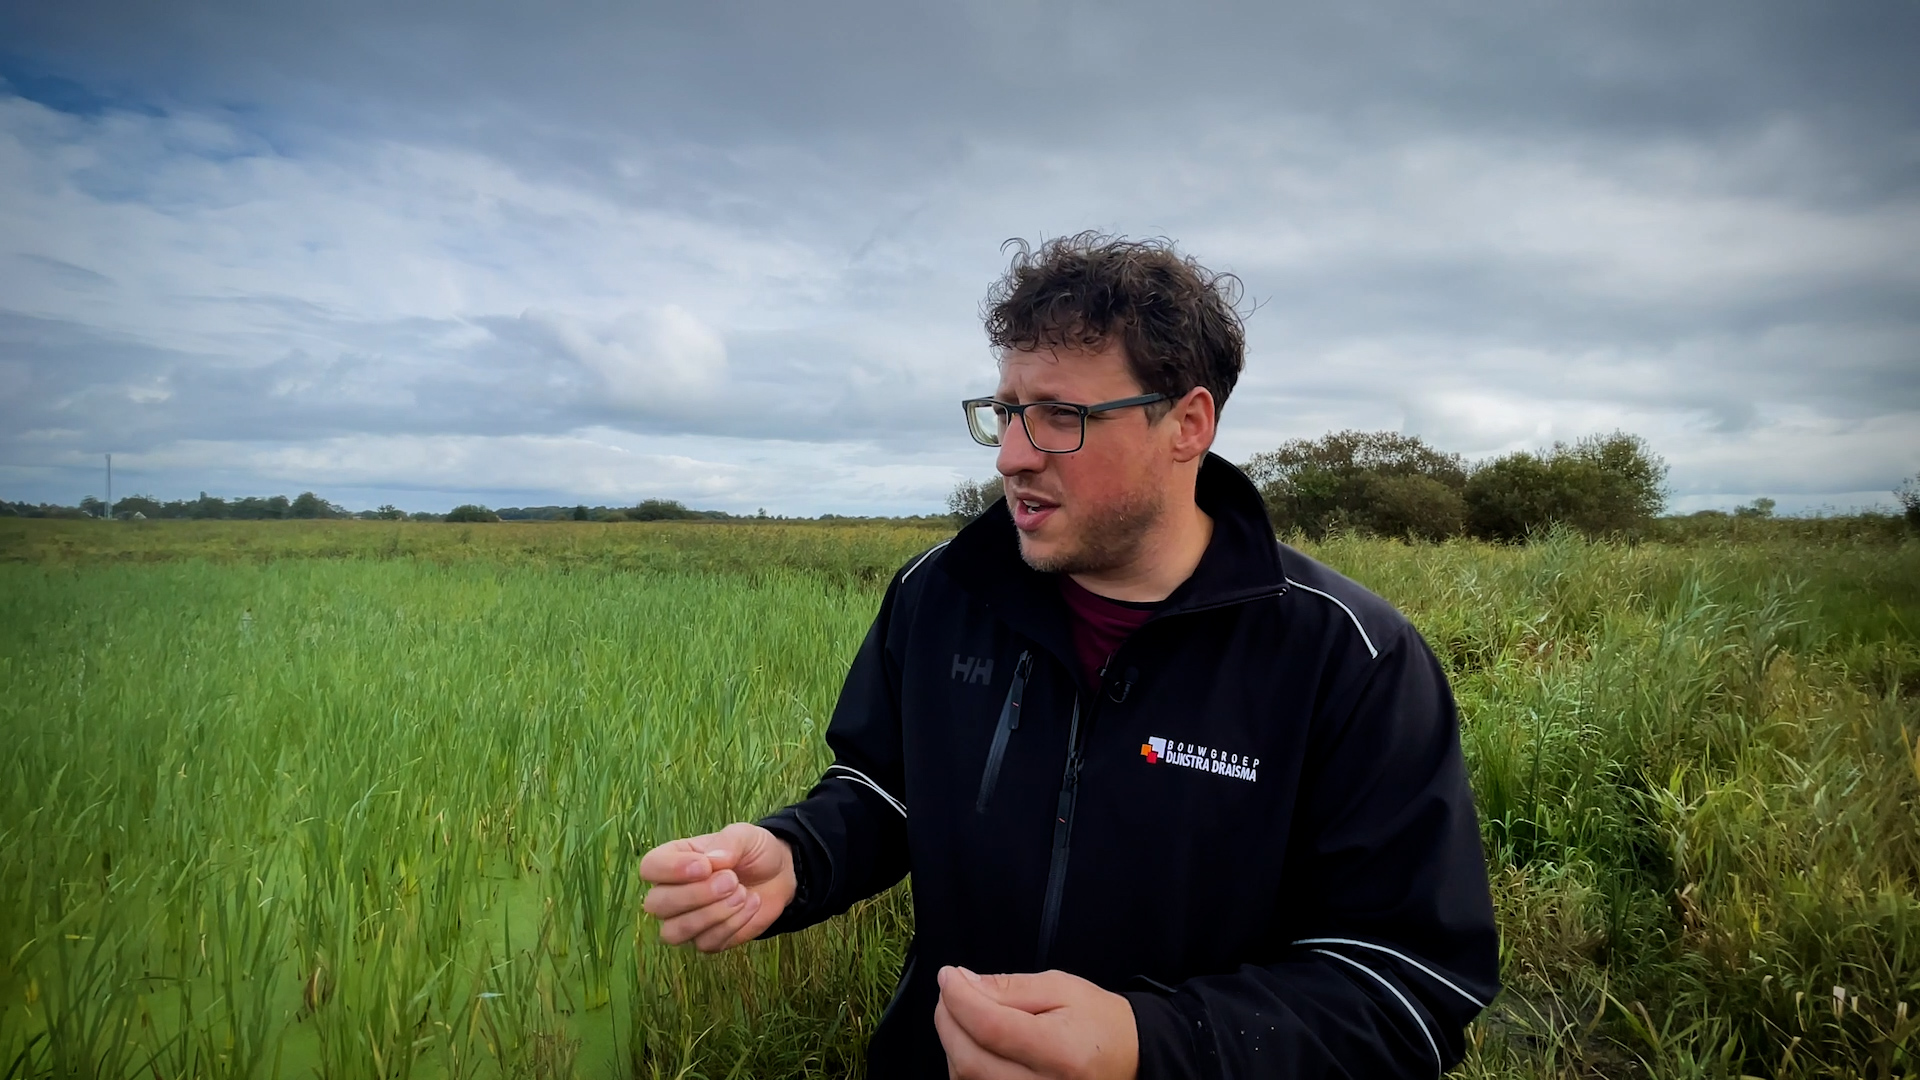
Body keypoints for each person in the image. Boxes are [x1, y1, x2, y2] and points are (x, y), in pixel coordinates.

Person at [639, 233, 1500, 1078]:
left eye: (1061, 417)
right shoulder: (941, 594)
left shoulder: (1350, 659)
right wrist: (798, 855)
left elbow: (1408, 986)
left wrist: (1149, 1045)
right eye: (1008, 411)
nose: (1014, 455)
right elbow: (885, 788)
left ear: (1186, 424)